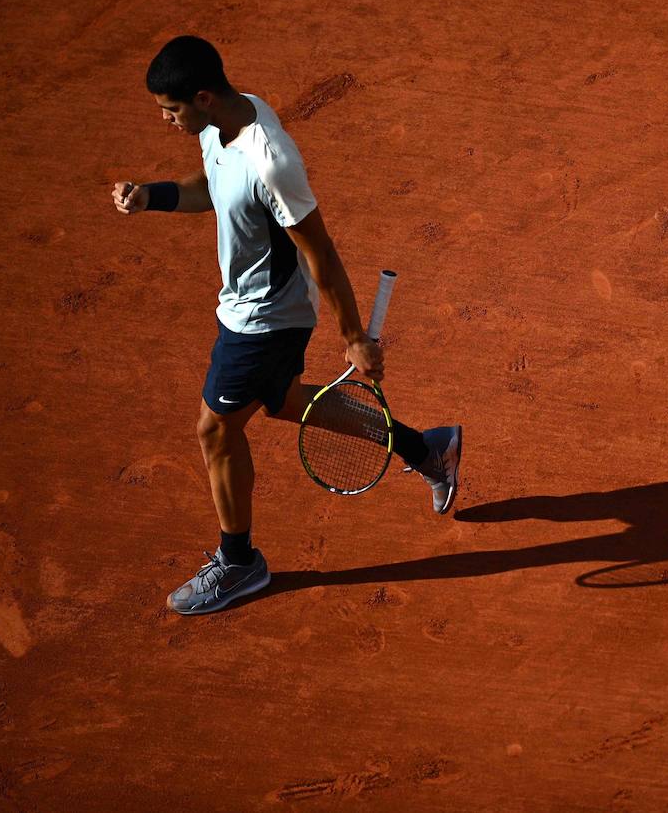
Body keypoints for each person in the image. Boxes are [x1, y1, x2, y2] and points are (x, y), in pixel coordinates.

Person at [111, 35, 461, 615]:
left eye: (171, 111)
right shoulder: (216, 125)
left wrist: (353, 336)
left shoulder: (271, 160)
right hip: (244, 307)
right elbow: (215, 194)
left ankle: (240, 561)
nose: (168, 121)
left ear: (202, 96)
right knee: (285, 402)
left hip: (267, 318)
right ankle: (428, 448)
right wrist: (152, 196)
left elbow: (320, 251)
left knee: (216, 431)